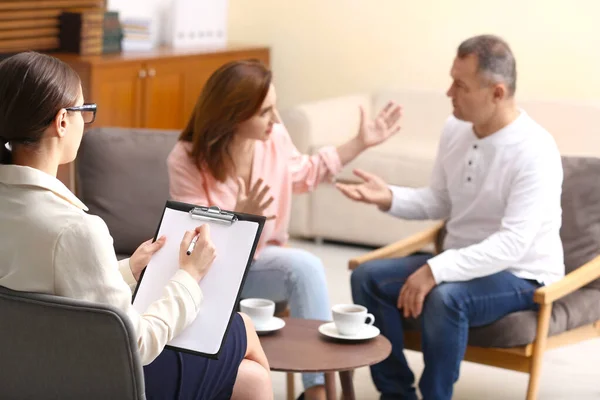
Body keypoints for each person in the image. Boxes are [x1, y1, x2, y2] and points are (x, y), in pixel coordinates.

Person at [0, 52, 273, 400]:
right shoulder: (77, 229)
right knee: (240, 328)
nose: (87, 122)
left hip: (29, 379)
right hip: (101, 384)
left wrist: (130, 268)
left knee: (250, 379)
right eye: (85, 111)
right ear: (62, 122)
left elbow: (52, 289)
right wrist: (189, 275)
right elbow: (135, 344)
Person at [337, 35, 564, 400]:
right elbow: (440, 200)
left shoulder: (535, 150)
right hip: (460, 261)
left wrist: (434, 270)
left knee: (447, 298)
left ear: (497, 92)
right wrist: (390, 196)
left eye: (460, 85)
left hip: (519, 273)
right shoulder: (455, 128)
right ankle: (396, 393)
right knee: (367, 277)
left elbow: (512, 244)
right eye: (451, 79)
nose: (448, 92)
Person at [167, 59, 402, 400]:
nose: (276, 120)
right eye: (265, 112)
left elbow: (306, 172)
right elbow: (192, 246)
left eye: (274, 108)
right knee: (298, 265)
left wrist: (360, 143)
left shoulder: (273, 138)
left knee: (305, 267)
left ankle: (318, 391)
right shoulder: (186, 159)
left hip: (261, 261)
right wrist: (238, 221)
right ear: (233, 114)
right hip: (209, 272)